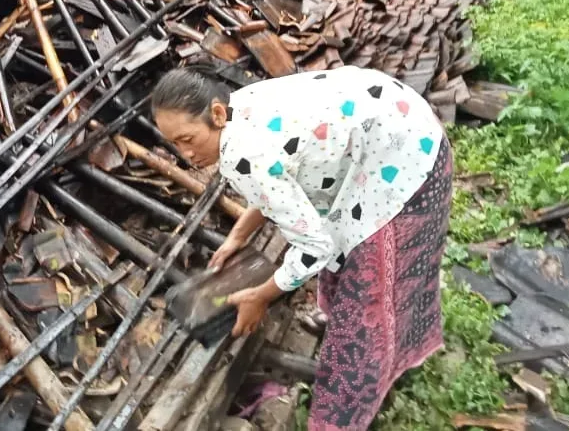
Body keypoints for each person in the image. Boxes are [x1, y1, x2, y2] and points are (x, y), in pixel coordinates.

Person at [152, 64, 453, 431]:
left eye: (188, 139)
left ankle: (338, 419)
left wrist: (260, 296)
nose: (185, 154)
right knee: (355, 261)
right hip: (396, 123)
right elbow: (277, 179)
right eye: (174, 144)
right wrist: (237, 237)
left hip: (404, 161)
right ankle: (367, 337)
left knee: (367, 300)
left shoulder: (243, 155)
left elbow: (314, 247)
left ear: (216, 114)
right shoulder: (236, 109)